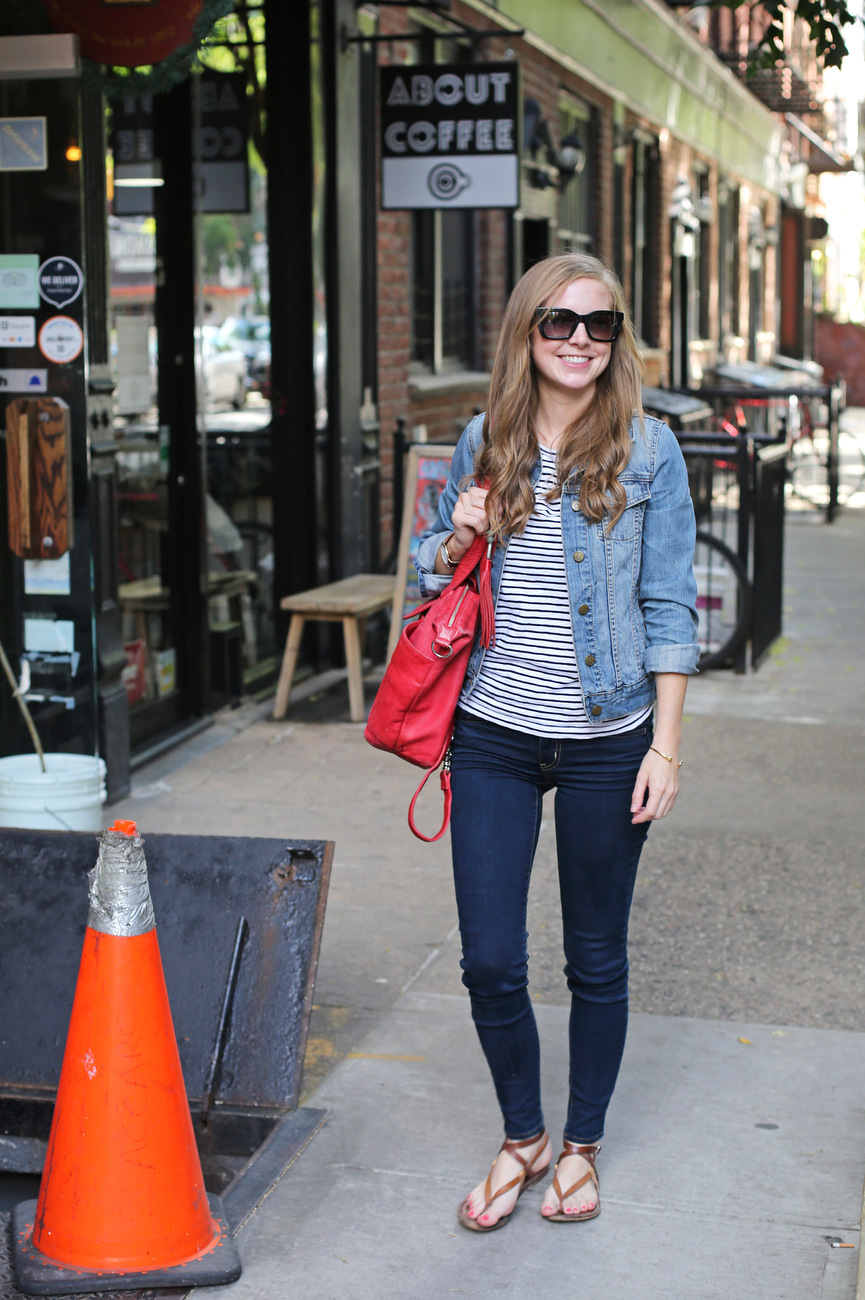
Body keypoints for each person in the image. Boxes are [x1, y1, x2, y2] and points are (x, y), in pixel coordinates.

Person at [415, 252, 699, 1232]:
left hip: (607, 737)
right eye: (557, 322)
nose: (579, 339)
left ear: (616, 339)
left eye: (598, 324)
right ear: (524, 333)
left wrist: (663, 747)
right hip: (491, 732)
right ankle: (521, 1134)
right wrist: (456, 533)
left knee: (594, 956)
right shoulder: (481, 441)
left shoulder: (649, 449)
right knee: (489, 959)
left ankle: (578, 1146)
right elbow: (428, 576)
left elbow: (669, 605)